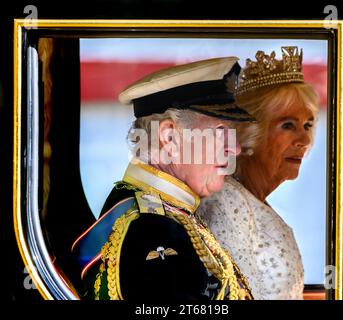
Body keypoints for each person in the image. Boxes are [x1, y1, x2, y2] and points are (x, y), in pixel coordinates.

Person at [71, 56, 256, 300]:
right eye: (220, 132)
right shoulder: (150, 228)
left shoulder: (162, 216)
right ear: (169, 138)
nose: (235, 149)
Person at [198, 47, 319, 300]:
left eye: (308, 125)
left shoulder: (251, 200)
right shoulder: (226, 203)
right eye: (288, 125)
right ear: (249, 133)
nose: (304, 140)